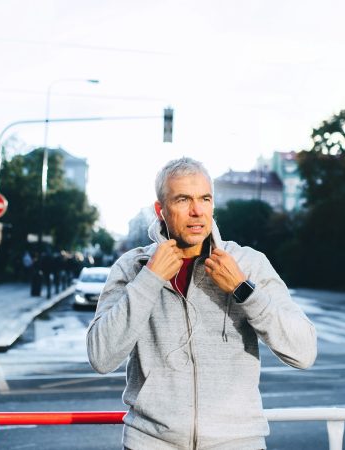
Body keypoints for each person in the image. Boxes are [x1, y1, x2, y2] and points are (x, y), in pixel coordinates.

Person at [86, 157, 317, 450]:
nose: (197, 211)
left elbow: (304, 352)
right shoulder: (132, 267)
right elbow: (101, 356)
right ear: (160, 210)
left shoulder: (247, 263)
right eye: (183, 199)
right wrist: (149, 279)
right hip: (151, 443)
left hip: (237, 443)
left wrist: (243, 290)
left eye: (205, 199)